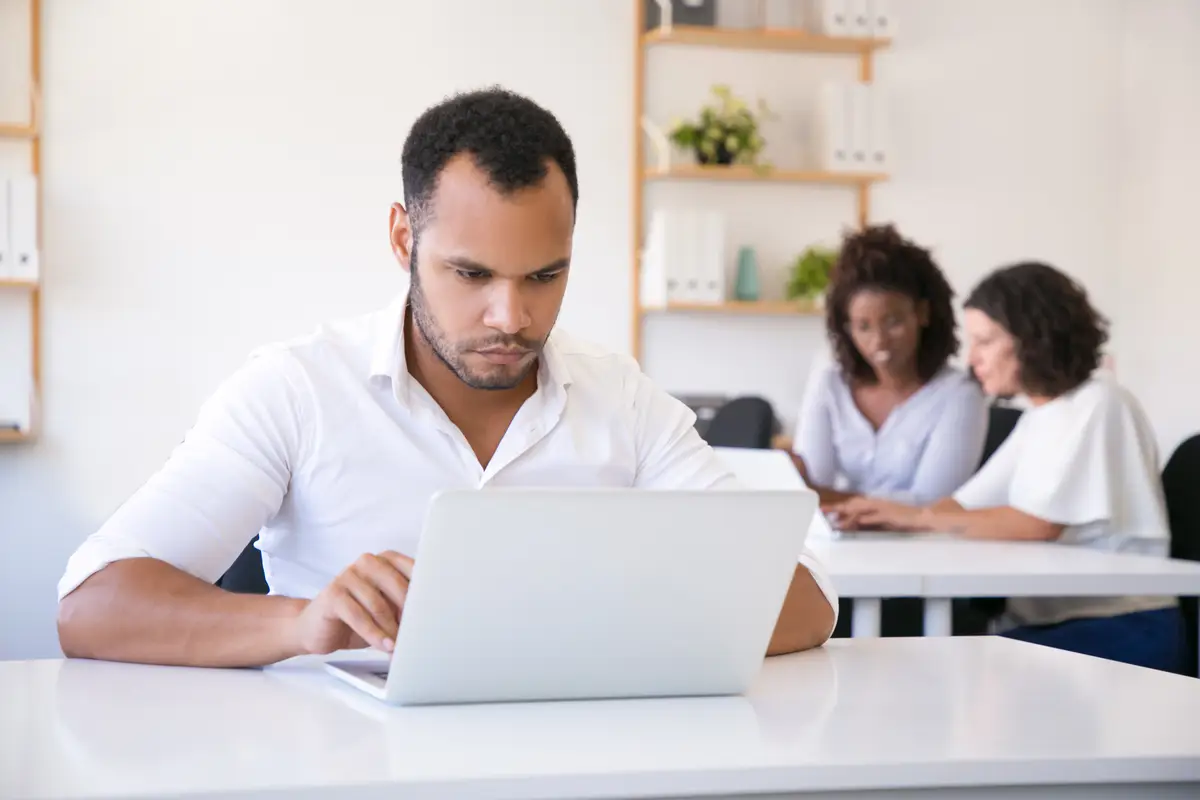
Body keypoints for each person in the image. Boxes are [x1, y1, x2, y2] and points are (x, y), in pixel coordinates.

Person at [56, 88, 837, 668]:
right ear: (403, 238)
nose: (511, 316)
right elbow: (93, 607)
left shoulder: (619, 398)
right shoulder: (297, 390)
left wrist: (585, 614)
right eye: (470, 273)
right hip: (344, 774)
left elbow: (806, 599)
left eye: (545, 275)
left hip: (576, 769)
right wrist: (300, 624)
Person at [832, 262, 1188, 673]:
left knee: (932, 674)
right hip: (1043, 624)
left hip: (1120, 626)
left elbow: (1038, 524)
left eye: (984, 341)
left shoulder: (1100, 402)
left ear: (1031, 338)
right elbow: (962, 506)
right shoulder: (1040, 416)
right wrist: (886, 517)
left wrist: (917, 516)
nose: (973, 359)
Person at [792, 224, 988, 509]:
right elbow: (811, 479)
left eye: (893, 322)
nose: (879, 341)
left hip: (924, 548)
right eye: (863, 327)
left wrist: (827, 497)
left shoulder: (961, 395)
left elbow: (933, 504)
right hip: (835, 542)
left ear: (922, 314)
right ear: (846, 328)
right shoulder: (830, 380)